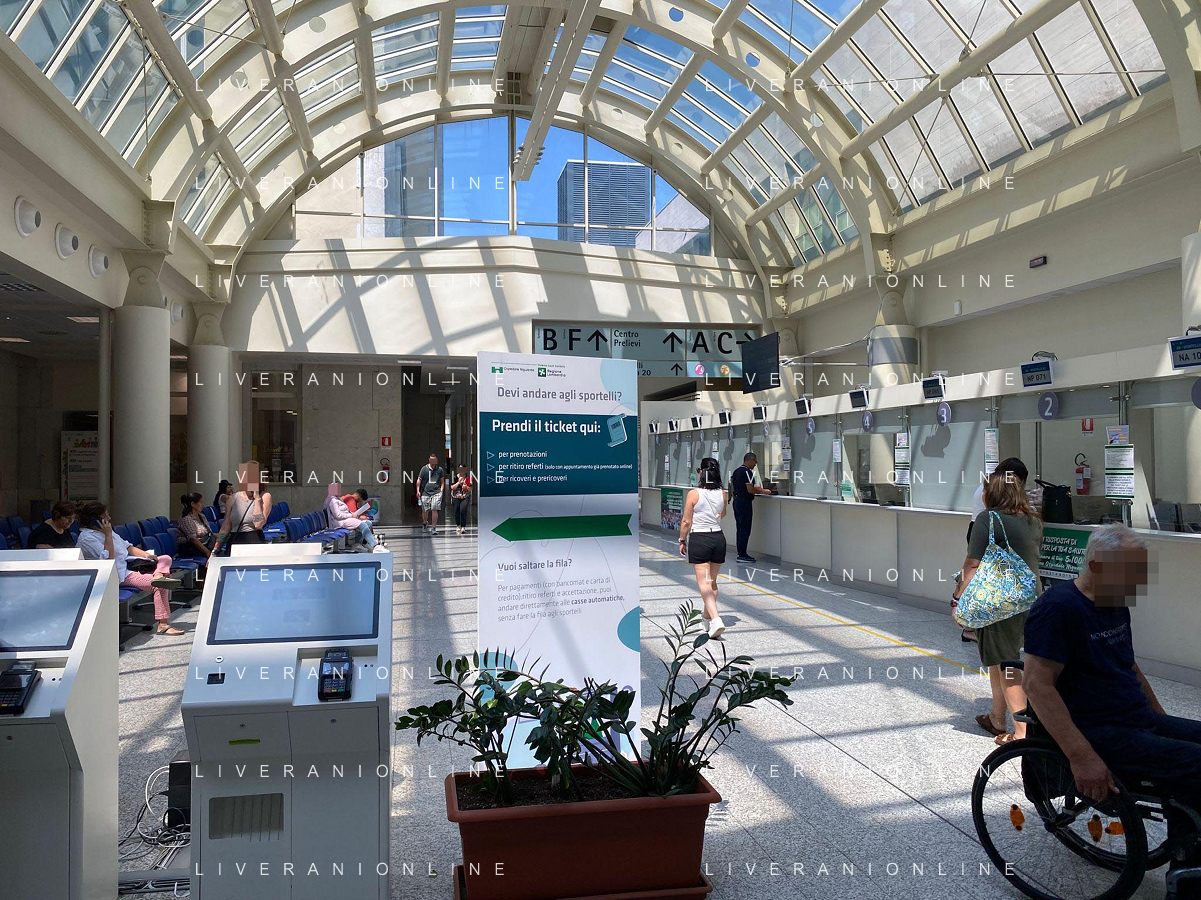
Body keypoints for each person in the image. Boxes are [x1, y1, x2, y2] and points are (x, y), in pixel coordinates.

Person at [1023, 525, 1201, 884]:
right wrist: (1081, 757)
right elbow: (1037, 686)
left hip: (1135, 718)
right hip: (1098, 730)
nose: (1138, 580)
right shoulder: (1057, 609)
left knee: (1186, 750)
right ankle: (1185, 870)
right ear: (1098, 566)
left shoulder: (1114, 601)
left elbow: (1128, 665)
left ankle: (1186, 844)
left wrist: (1160, 719)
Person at [954, 468, 1043, 744]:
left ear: (992, 492)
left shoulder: (988, 519)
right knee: (1000, 657)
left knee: (1006, 663)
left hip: (1000, 601)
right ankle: (996, 716)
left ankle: (1021, 732)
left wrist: (958, 598)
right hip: (1030, 596)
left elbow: (972, 565)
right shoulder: (1033, 520)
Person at [76, 501, 183, 636]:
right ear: (96, 520)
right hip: (117, 575)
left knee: (165, 558)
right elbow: (108, 559)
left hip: (129, 566)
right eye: (105, 516)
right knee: (160, 586)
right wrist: (108, 536)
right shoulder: (87, 538)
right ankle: (163, 625)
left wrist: (148, 556)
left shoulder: (107, 532)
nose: (109, 518)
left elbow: (128, 547)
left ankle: (158, 576)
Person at [678, 458, 728, 639]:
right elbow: (723, 514)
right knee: (712, 582)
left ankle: (716, 619)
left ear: (701, 472)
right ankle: (706, 619)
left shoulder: (694, 494)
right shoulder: (723, 493)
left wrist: (682, 540)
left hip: (700, 539)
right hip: (718, 539)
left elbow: (686, 521)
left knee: (704, 583)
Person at [213, 462, 272, 552]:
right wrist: (215, 550)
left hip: (255, 540)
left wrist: (257, 499)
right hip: (235, 541)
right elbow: (225, 527)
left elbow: (258, 524)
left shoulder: (264, 496)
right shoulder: (232, 499)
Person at [729, 452, 770, 563]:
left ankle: (740, 552)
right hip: (744, 503)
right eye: (755, 461)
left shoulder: (737, 471)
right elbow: (750, 489)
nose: (755, 464)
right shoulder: (747, 472)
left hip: (737, 501)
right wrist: (763, 491)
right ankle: (742, 555)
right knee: (745, 528)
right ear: (749, 460)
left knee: (740, 527)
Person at [325, 482, 387, 552]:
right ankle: (375, 546)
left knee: (368, 523)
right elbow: (338, 515)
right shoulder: (333, 501)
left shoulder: (337, 499)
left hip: (344, 520)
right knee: (363, 525)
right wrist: (352, 515)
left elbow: (347, 512)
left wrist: (353, 515)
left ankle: (358, 544)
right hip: (340, 522)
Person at [177, 492, 215, 558]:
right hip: (191, 549)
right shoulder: (186, 519)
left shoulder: (202, 516)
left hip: (205, 544)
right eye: (200, 502)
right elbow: (193, 539)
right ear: (193, 504)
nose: (202, 505)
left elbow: (209, 532)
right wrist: (207, 552)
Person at [416, 453, 445, 535]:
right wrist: (418, 490)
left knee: (434, 509)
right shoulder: (424, 469)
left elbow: (442, 481)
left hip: (436, 492)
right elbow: (419, 480)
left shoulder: (440, 469)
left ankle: (433, 527)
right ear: (429, 460)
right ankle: (425, 522)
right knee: (425, 510)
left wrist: (441, 491)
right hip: (425, 492)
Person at [450, 464, 474, 535]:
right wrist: (458, 483)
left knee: (463, 510)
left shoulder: (468, 478)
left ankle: (463, 526)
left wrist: (466, 487)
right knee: (456, 510)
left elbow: (471, 488)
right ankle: (458, 525)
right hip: (456, 496)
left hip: (465, 496)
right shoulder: (454, 477)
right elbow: (452, 487)